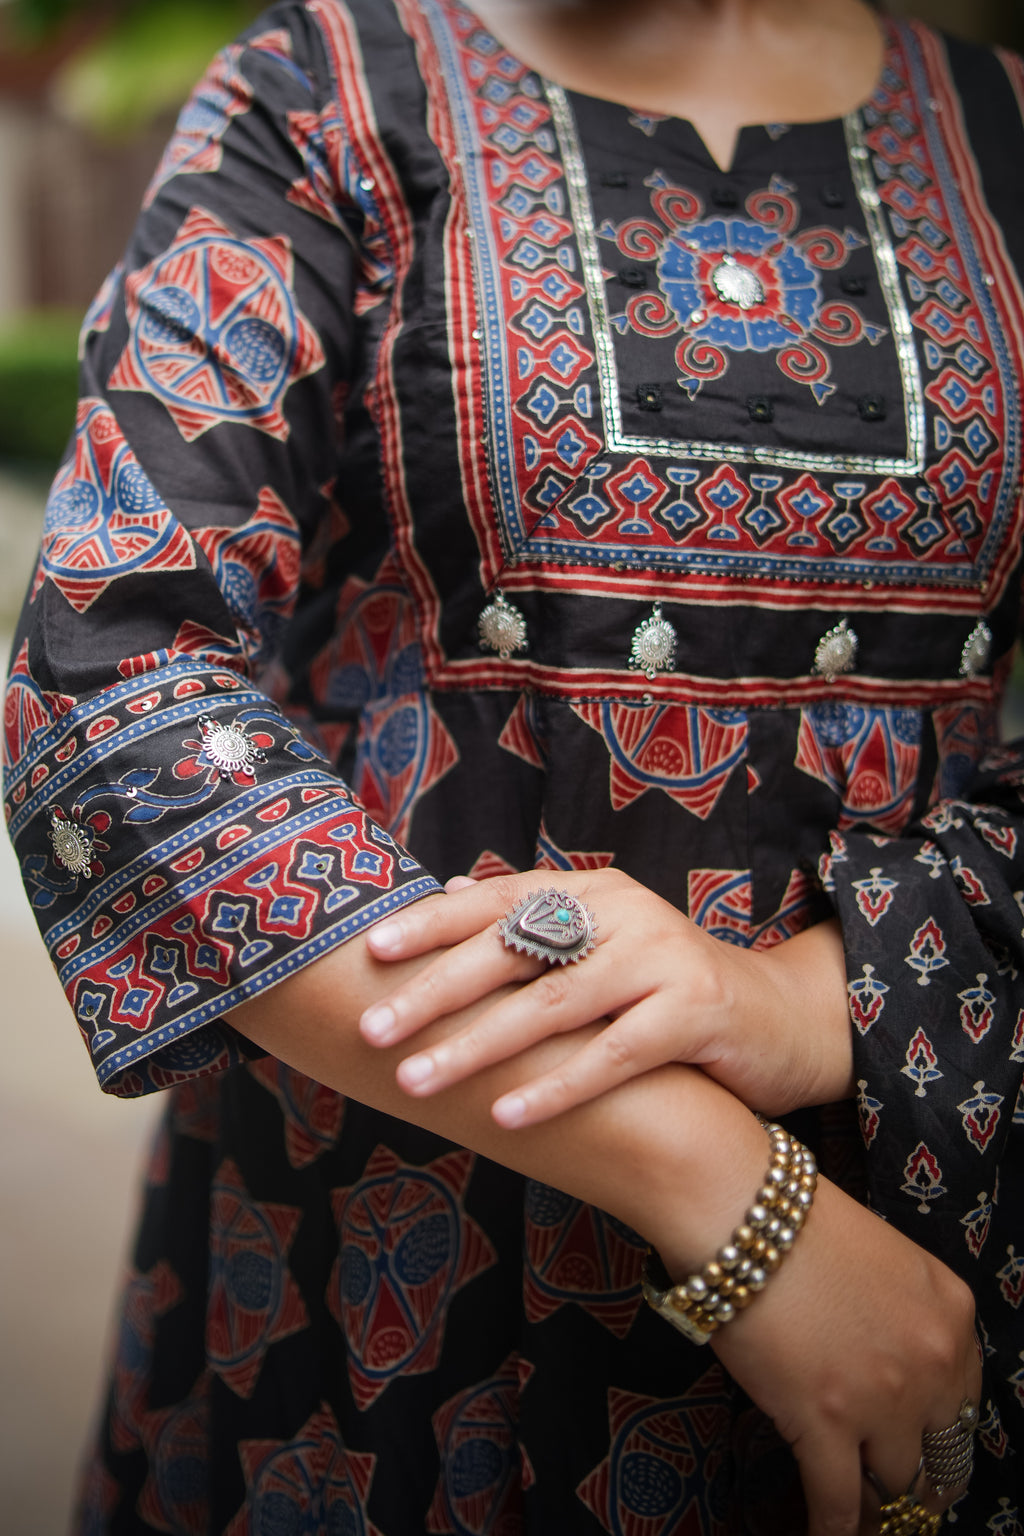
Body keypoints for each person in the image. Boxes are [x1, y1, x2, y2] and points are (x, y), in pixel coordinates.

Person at [4, 0, 1022, 1529]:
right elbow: (110, 677)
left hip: (907, 1287)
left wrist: (807, 1000)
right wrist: (730, 1194)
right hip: (372, 1296)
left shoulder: (1004, 139)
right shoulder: (327, 95)